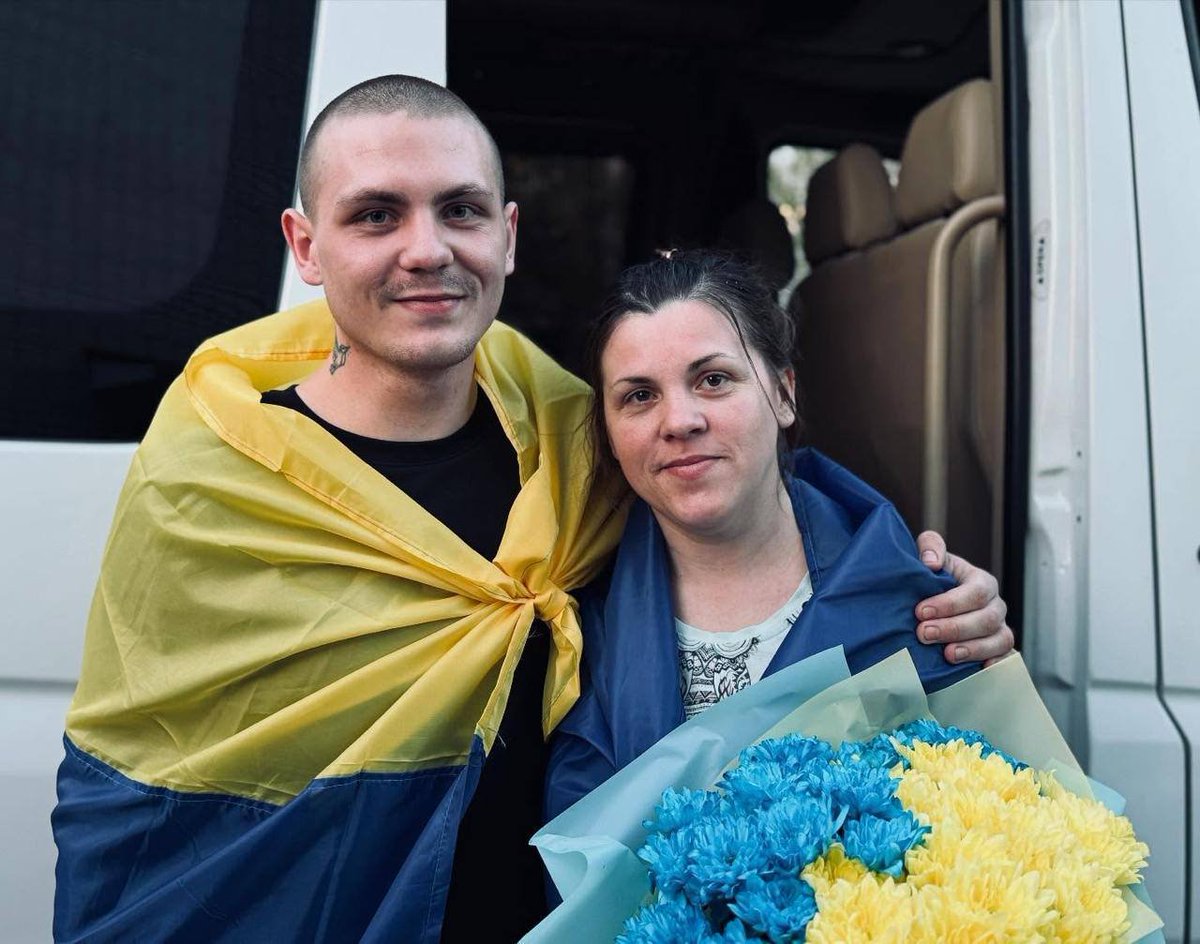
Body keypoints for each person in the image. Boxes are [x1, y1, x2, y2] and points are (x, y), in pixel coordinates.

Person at [52, 76, 1011, 943]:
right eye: (376, 215)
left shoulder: (576, 452)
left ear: (506, 235)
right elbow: (134, 788)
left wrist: (928, 589)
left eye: (459, 210)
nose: (425, 250)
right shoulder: (216, 479)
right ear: (306, 246)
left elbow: (744, 506)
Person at [544, 250, 1002, 824]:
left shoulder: (922, 607)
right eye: (639, 396)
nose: (679, 421)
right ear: (609, 434)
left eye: (713, 380)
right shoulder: (568, 630)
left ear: (784, 394)